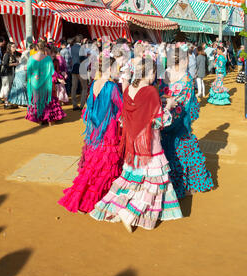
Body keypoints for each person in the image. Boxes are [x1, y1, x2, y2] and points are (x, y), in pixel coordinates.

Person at [90, 57, 182, 232]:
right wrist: (168, 105)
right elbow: (158, 121)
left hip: (133, 142)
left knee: (134, 179)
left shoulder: (128, 90)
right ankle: (131, 212)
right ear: (150, 72)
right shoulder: (151, 91)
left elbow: (127, 117)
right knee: (155, 181)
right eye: (154, 72)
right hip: (149, 142)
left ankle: (119, 208)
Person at [58, 52, 123, 214]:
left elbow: (90, 107)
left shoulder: (94, 84)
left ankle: (82, 196)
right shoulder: (112, 87)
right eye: (117, 68)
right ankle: (99, 198)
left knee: (93, 165)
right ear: (111, 68)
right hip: (109, 131)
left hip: (95, 130)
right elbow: (122, 108)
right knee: (106, 165)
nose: (119, 71)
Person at [159, 49, 213, 198]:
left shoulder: (162, 75)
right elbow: (190, 105)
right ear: (182, 61)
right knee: (185, 152)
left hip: (162, 119)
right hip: (180, 122)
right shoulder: (187, 79)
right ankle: (186, 186)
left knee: (164, 152)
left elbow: (158, 95)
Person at [26, 41, 66, 126]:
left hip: (35, 83)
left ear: (36, 48)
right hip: (46, 83)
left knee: (37, 101)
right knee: (48, 100)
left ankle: (40, 120)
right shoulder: (47, 58)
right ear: (44, 48)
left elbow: (28, 71)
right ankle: (50, 121)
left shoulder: (31, 58)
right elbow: (52, 72)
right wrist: (60, 78)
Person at [70, 35, 88, 111]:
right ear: (81, 40)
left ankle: (74, 105)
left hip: (74, 69)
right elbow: (83, 59)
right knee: (84, 87)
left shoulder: (72, 47)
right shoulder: (81, 48)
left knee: (74, 87)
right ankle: (81, 105)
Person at [0, 42, 19, 108]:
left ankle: (7, 101)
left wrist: (16, 63)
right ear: (9, 47)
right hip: (5, 73)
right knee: (6, 88)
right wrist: (14, 64)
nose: (14, 48)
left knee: (9, 87)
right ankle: (6, 103)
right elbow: (5, 64)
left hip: (10, 72)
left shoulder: (13, 54)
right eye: (13, 47)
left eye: (15, 46)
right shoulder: (7, 54)